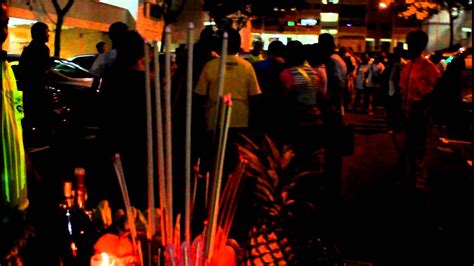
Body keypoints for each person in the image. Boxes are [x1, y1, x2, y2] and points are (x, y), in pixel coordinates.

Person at [399, 30, 441, 191]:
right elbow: (403, 90)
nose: (408, 47)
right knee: (408, 147)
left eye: (411, 44)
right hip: (407, 112)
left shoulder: (428, 67)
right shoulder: (408, 65)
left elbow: (436, 91)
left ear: (420, 46)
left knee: (420, 148)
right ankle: (409, 177)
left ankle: (420, 180)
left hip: (420, 114)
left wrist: (422, 105)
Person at [1, 0, 28, 211]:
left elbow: (16, 129)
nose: (3, 29)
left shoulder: (8, 70)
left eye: (5, 22)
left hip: (17, 206)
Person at [18, 21, 52, 147]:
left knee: (28, 119)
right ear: (40, 34)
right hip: (38, 90)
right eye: (47, 32)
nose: (48, 35)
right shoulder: (43, 49)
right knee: (42, 119)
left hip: (28, 90)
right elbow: (45, 70)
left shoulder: (27, 50)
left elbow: (22, 70)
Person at [253, 40, 286, 141]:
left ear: (268, 52)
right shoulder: (285, 68)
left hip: (260, 105)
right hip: (280, 108)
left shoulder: (258, 66)